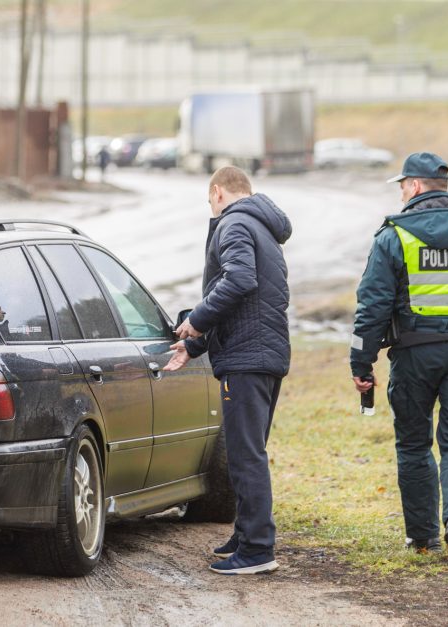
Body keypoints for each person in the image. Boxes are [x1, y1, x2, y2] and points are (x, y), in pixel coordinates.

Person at [350, 152, 448, 557]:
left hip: (412, 354)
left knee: (413, 444)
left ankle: (422, 536)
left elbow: (372, 307)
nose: (402, 191)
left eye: (404, 184)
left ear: (417, 186)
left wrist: (361, 362)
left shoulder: (393, 236)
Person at [164, 166, 292, 575]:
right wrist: (194, 345)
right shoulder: (262, 228)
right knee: (248, 451)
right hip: (263, 355)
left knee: (245, 454)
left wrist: (197, 319)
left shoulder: (234, 224)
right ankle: (246, 533)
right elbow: (247, 302)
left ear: (218, 192)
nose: (211, 209)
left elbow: (239, 281)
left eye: (209, 201)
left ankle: (256, 550)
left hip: (247, 359)